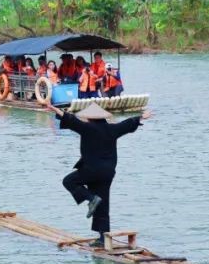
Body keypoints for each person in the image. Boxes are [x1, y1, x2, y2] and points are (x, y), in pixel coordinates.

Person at [44, 101, 152, 247]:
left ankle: (91, 198)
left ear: (90, 118)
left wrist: (53, 109)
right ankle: (103, 238)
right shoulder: (112, 129)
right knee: (103, 202)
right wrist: (141, 117)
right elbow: (127, 123)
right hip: (108, 172)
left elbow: (71, 120)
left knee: (69, 181)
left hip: (91, 170)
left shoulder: (87, 128)